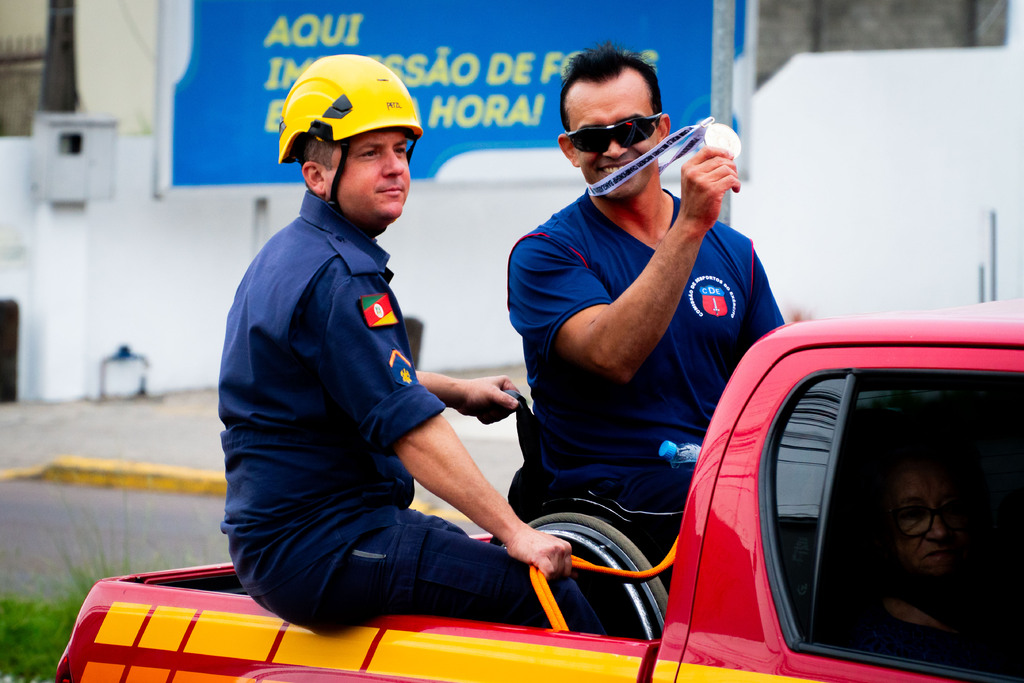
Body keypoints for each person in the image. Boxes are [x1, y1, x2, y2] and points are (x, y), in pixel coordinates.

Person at [218, 54, 601, 633]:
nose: (395, 168)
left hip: (303, 542)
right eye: (371, 153)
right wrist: (517, 532)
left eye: (401, 150)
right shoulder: (342, 278)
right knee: (549, 596)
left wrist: (454, 390)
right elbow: (411, 433)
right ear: (317, 174)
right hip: (323, 546)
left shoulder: (294, 252)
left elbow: (349, 379)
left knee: (469, 554)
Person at [506, 43, 783, 546]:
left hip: (719, 481)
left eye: (630, 130)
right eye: (593, 137)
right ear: (569, 149)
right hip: (614, 506)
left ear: (661, 130)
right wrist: (691, 227)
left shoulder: (735, 253)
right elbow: (613, 355)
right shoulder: (544, 254)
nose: (613, 150)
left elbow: (775, 384)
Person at [846, 445, 1012, 674]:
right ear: (879, 537)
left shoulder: (996, 599)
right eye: (913, 514)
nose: (940, 531)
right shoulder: (879, 648)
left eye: (953, 508)